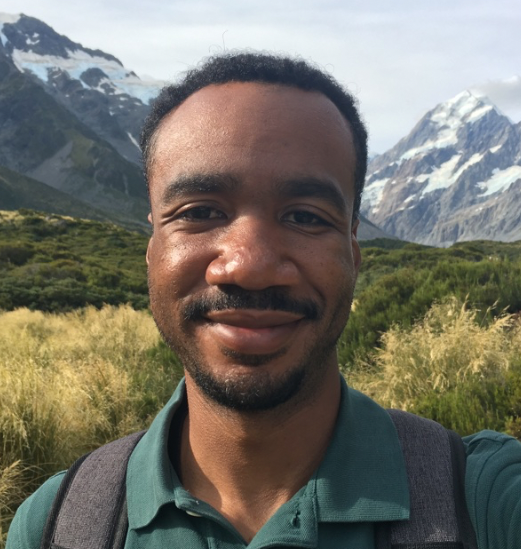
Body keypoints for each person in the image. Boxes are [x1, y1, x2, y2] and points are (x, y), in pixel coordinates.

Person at [7, 52, 521, 549]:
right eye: (200, 212)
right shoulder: (53, 526)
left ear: (354, 251)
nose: (249, 266)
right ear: (152, 247)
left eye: (305, 217)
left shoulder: (488, 500)